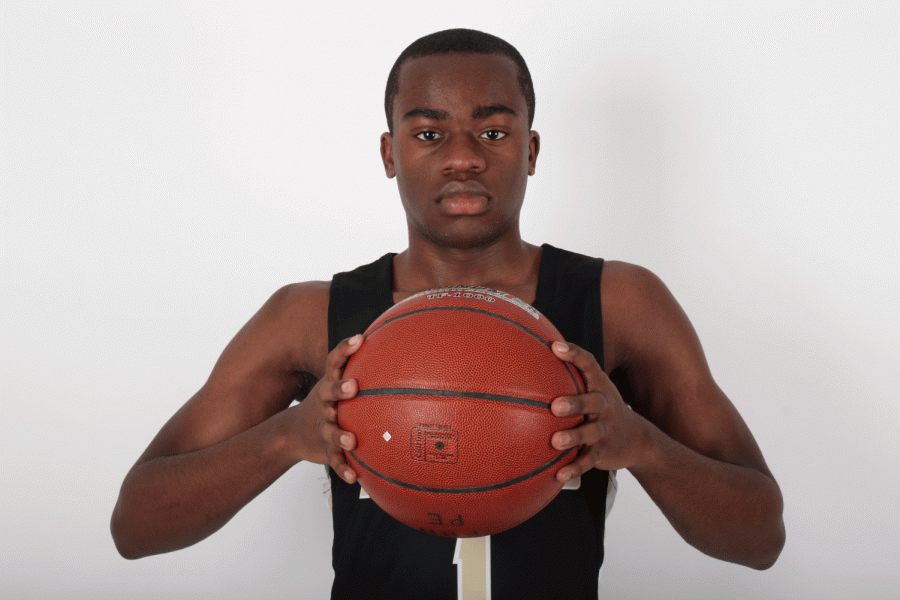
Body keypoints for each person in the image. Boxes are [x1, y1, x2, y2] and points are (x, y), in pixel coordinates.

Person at [111, 28, 785, 599]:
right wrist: (288, 435)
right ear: (389, 153)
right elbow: (136, 526)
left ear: (530, 149)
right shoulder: (309, 316)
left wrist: (641, 445)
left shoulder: (621, 302)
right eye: (430, 132)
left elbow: (761, 539)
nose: (463, 157)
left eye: (493, 130)